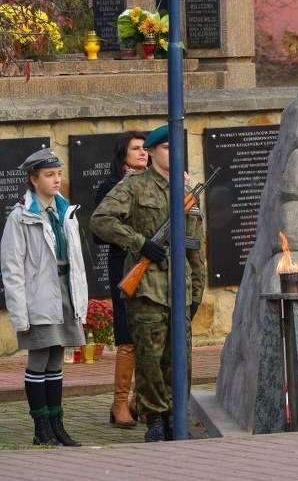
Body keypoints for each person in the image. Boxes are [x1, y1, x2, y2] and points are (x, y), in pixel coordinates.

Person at [90, 124, 206, 443]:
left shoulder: (187, 194)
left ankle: (174, 417)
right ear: (152, 152)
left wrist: (197, 292)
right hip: (147, 288)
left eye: (176, 147)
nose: (173, 152)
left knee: (179, 358)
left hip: (179, 290)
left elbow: (195, 248)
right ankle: (155, 417)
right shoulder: (134, 186)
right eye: (166, 147)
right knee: (150, 358)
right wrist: (139, 243)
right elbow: (101, 220)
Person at [1, 148, 87, 446]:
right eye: (49, 175)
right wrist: (20, 315)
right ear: (33, 180)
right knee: (39, 358)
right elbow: (12, 269)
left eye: (59, 174)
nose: (57, 180)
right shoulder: (20, 217)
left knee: (56, 360)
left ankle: (56, 424)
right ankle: (41, 427)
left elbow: (74, 262)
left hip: (64, 293)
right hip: (38, 296)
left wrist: (80, 303)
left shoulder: (65, 212)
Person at [94, 131, 149, 428]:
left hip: (152, 263)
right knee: (127, 333)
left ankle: (140, 399)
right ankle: (119, 403)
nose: (143, 153)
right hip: (125, 263)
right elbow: (101, 230)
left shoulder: (156, 184)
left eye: (145, 148)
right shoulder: (110, 186)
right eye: (136, 149)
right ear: (122, 155)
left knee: (150, 331)